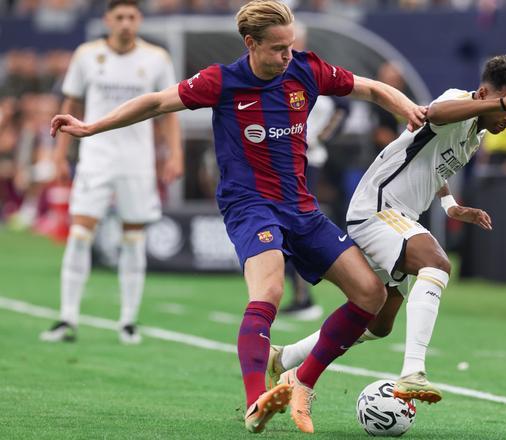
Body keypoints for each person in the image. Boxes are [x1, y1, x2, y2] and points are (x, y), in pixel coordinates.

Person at [48, 0, 426, 434]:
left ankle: (300, 380)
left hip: (301, 206)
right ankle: (254, 404)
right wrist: (92, 127)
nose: (289, 55)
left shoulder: (306, 69)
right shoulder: (221, 81)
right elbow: (154, 102)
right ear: (251, 44)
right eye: (278, 48)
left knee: (370, 295)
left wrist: (410, 109)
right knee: (268, 290)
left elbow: (373, 89)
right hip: (250, 207)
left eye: (291, 45)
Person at [268, 55, 506, 404]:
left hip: (400, 216)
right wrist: (499, 102)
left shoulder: (475, 134)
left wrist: (451, 206)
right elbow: (433, 115)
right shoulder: (459, 99)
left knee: (379, 323)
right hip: (378, 207)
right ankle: (412, 373)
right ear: (485, 93)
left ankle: (285, 358)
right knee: (437, 264)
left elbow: (434, 166)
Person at [40, 0, 183, 344]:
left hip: (137, 160)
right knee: (79, 232)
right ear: (107, 20)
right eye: (119, 17)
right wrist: (60, 154)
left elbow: (169, 110)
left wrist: (174, 154)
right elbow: (70, 104)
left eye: (131, 17)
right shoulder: (87, 55)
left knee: (133, 236)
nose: (125, 23)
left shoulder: (156, 59)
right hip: (96, 157)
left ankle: (128, 321)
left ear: (139, 19)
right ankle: (67, 317)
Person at [280, 22, 348, 321]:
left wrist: (318, 138)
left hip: (306, 162)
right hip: (286, 161)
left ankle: (306, 294)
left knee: (296, 226)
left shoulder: (310, 74)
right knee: (284, 228)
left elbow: (339, 108)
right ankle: (301, 294)